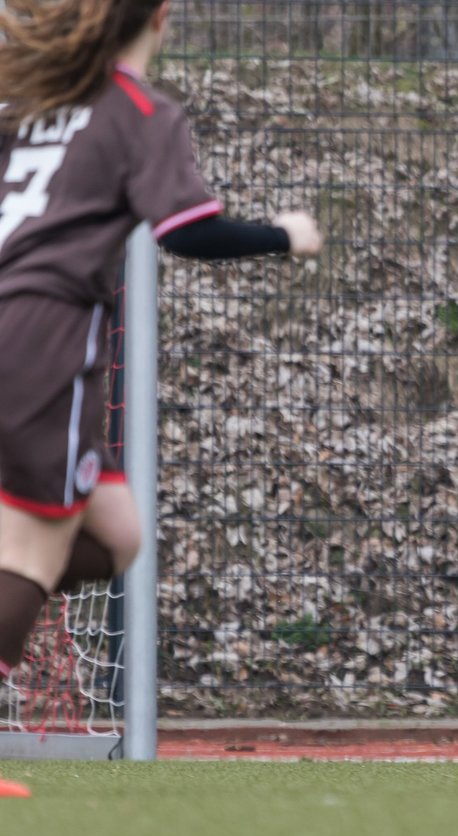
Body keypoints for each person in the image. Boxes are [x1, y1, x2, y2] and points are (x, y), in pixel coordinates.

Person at [0, 0, 323, 795]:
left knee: (114, 532)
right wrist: (285, 233)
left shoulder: (31, 109)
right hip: (39, 339)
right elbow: (186, 231)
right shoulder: (139, 110)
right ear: (162, 18)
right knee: (35, 552)